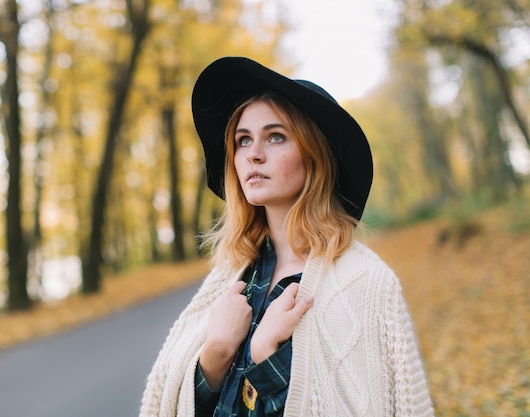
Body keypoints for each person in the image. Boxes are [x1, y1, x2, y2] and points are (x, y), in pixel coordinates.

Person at [139, 57, 433, 417]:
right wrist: (214, 356)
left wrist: (266, 356)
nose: (253, 155)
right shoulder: (229, 280)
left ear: (314, 156)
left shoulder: (368, 285)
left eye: (275, 137)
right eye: (243, 141)